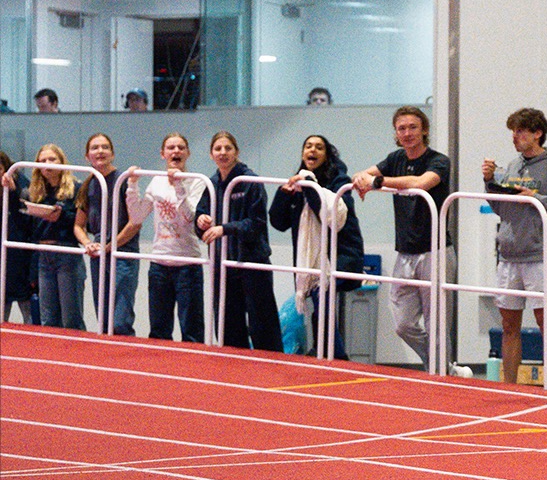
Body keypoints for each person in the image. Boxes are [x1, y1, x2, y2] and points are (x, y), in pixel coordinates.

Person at [352, 106, 462, 374]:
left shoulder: (439, 160)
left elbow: (421, 182)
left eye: (413, 127)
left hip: (435, 251)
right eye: (402, 128)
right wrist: (360, 180)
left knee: (437, 323)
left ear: (424, 129)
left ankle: (441, 377)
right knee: (403, 324)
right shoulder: (394, 158)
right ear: (396, 133)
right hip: (405, 252)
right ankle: (445, 367)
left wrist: (377, 182)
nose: (407, 133)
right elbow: (363, 175)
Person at [481, 108, 547, 385]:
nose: (515, 137)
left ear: (537, 133)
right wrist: (489, 183)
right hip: (509, 254)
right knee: (509, 326)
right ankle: (510, 387)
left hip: (538, 255)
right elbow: (501, 208)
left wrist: (537, 197)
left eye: (521, 131)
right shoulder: (512, 165)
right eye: (513, 131)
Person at [270, 135, 365, 359]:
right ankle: (327, 354)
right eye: (308, 146)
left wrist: (310, 186)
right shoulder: (299, 183)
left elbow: (330, 217)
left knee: (322, 299)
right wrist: (285, 194)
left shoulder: (340, 182)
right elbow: (278, 222)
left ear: (327, 154)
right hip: (313, 261)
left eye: (319, 147)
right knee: (318, 302)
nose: (312, 150)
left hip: (342, 255)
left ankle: (336, 357)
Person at [122, 133, 210, 342]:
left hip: (188, 263)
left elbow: (190, 217)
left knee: (192, 330)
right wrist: (132, 185)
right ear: (163, 154)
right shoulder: (156, 181)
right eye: (171, 148)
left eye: (181, 147)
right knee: (159, 330)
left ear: (187, 153)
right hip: (159, 263)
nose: (176, 151)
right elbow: (137, 216)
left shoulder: (197, 181)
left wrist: (179, 186)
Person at [198, 132, 282, 351]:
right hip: (222, 264)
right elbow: (200, 216)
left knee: (262, 324)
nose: (223, 153)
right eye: (218, 149)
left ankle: (273, 369)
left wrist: (224, 229)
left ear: (237, 152)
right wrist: (201, 221)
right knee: (228, 326)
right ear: (211, 154)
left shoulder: (250, 182)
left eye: (228, 148)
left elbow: (256, 224)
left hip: (251, 263)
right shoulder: (211, 183)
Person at [78, 133, 139, 335]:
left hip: (123, 254)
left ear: (112, 154)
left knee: (120, 320)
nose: (100, 151)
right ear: (87, 156)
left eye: (105, 147)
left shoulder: (123, 181)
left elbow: (135, 223)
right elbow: (78, 225)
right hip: (99, 255)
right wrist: (88, 243)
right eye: (95, 148)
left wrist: (110, 246)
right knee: (103, 319)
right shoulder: (88, 184)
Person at [20, 143, 86, 329]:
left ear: (62, 162)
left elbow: (82, 223)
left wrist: (62, 215)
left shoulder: (76, 188)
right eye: (43, 161)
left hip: (67, 252)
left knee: (70, 317)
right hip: (43, 253)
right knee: (48, 318)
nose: (48, 164)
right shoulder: (35, 191)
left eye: (52, 159)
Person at [1, 150, 36, 323]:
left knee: (29, 312)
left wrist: (13, 193)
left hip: (21, 255)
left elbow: (27, 218)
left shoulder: (22, 184)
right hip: (3, 259)